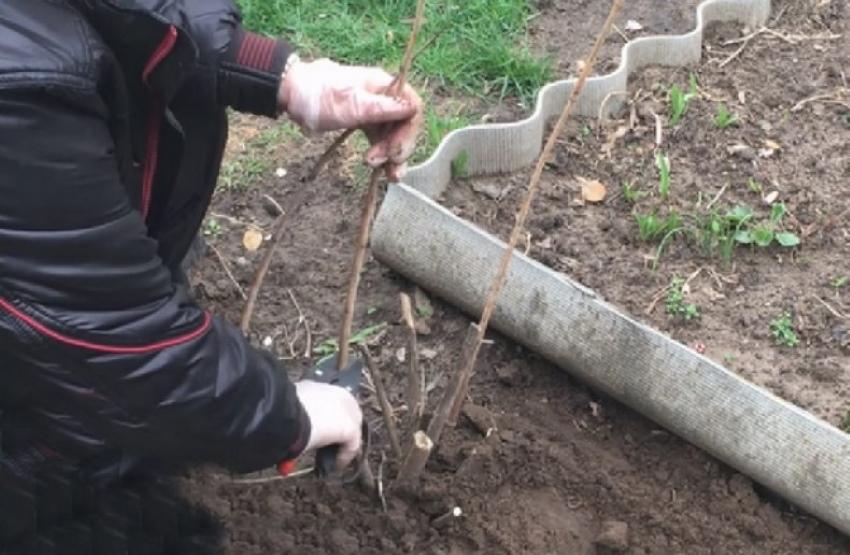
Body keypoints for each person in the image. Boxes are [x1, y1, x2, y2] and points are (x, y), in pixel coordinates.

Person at [0, 0, 423, 522]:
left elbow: (142, 15)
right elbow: (118, 345)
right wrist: (289, 416)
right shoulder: (17, 93)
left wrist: (280, 76)